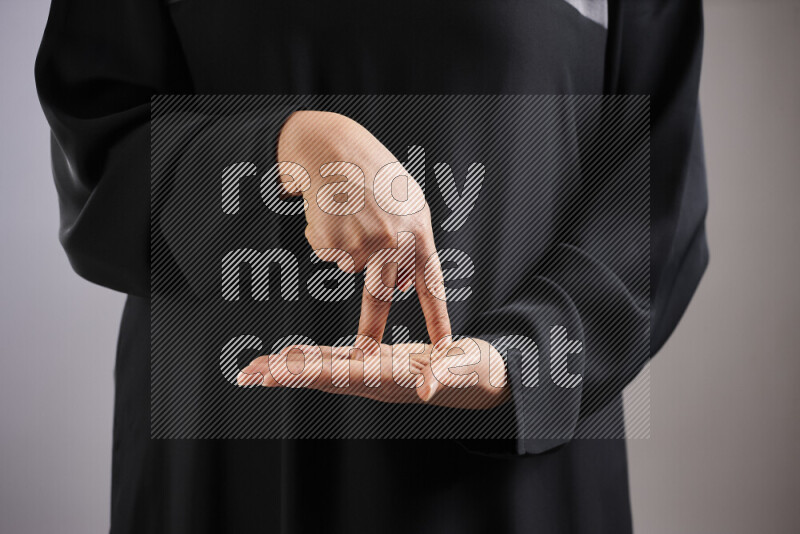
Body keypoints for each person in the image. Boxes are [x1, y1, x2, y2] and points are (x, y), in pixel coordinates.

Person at [35, 0, 708, 532]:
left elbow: (655, 192)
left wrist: (518, 363)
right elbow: (99, 156)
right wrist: (283, 151)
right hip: (237, 465)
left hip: (508, 480)